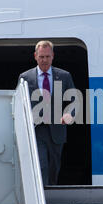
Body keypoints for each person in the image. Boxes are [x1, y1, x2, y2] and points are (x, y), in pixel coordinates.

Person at [18, 40, 75, 185]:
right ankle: (43, 197)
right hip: (36, 129)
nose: (44, 60)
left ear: (53, 56)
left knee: (54, 166)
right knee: (41, 165)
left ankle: (51, 192)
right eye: (41, 57)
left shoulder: (64, 76)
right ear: (35, 56)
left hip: (57, 128)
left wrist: (69, 114)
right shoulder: (25, 77)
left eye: (47, 57)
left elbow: (74, 102)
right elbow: (19, 103)